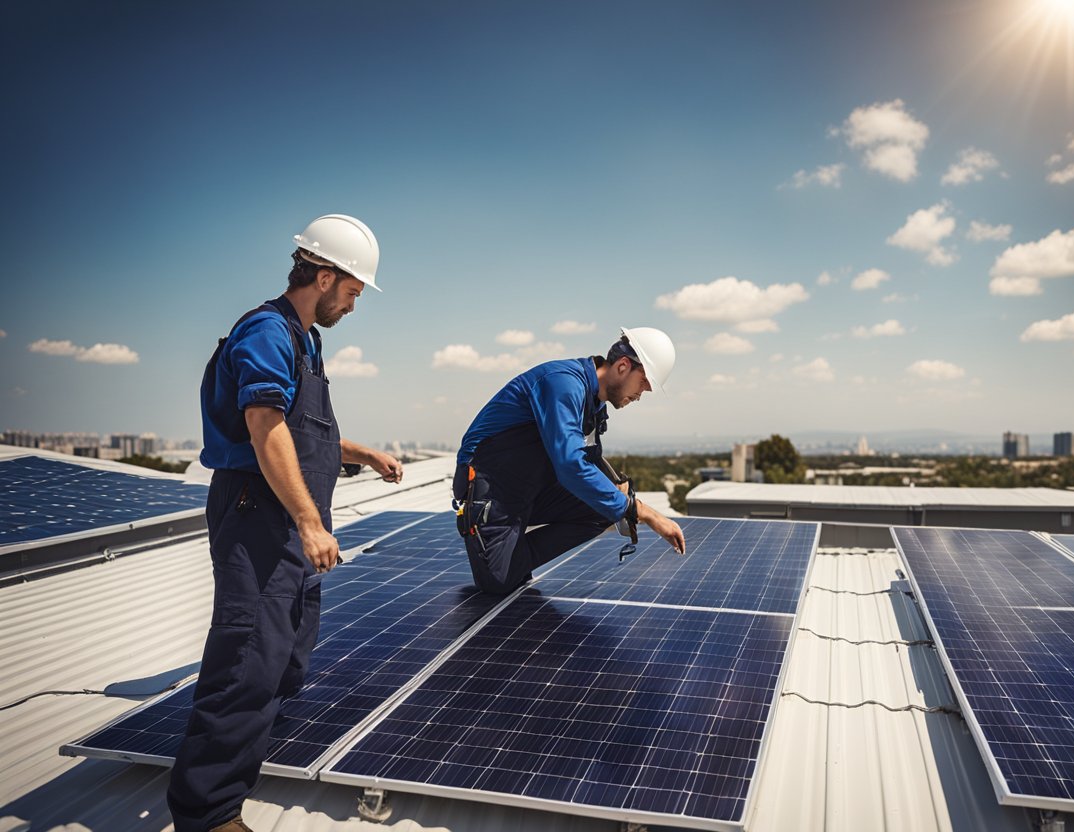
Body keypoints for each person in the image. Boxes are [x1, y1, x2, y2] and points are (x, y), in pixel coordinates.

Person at [167, 214, 403, 832]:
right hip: (259, 516)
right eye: (351, 293)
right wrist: (308, 519)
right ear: (324, 277)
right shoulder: (268, 332)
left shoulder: (305, 340)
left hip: (290, 521)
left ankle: (250, 748)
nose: (353, 306)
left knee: (289, 649)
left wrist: (364, 453)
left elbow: (307, 435)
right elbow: (265, 428)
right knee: (249, 655)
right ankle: (209, 810)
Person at [453, 328, 686, 595]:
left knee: (604, 506)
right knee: (499, 583)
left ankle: (511, 554)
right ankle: (502, 554)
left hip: (530, 487)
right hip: (492, 489)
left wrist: (618, 493)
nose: (642, 394)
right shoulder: (562, 383)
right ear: (623, 366)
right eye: (644, 382)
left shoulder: (593, 402)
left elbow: (588, 459)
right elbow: (570, 464)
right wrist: (643, 512)